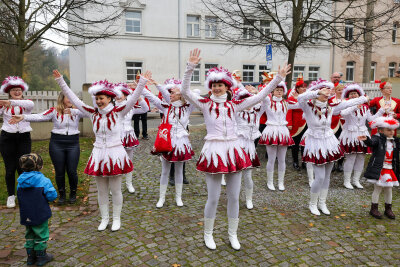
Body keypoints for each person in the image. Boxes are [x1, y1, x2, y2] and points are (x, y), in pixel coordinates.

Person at [180, 48, 291, 250]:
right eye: (214, 85)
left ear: (227, 87)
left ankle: (232, 234)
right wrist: (191, 68)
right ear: (210, 87)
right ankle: (208, 234)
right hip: (213, 150)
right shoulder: (204, 104)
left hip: (233, 150)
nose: (217, 88)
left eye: (220, 85)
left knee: (234, 196)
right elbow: (185, 92)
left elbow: (259, 97)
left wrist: (277, 79)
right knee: (213, 197)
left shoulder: (234, 105)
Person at [52, 69, 148, 231]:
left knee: (116, 189)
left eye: (101, 98)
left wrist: (142, 83)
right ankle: (104, 219)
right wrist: (61, 81)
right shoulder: (92, 113)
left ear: (110, 98)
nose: (98, 101)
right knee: (101, 190)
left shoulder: (119, 111)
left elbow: (131, 100)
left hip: (115, 153)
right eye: (96, 98)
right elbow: (74, 99)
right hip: (98, 154)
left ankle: (116, 219)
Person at [297, 79, 367, 216]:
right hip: (315, 142)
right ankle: (312, 204)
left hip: (329, 142)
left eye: (329, 90)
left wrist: (363, 98)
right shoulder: (308, 106)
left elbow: (347, 103)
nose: (327, 93)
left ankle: (322, 203)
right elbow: (300, 97)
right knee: (320, 176)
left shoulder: (331, 106)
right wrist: (317, 91)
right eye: (324, 90)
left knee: (327, 175)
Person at [10, 93, 84, 204]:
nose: (71, 99)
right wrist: (23, 117)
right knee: (59, 171)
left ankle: (73, 193)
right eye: (68, 97)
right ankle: (62, 194)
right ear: (62, 99)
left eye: (72, 97)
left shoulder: (78, 111)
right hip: (57, 143)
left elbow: (91, 112)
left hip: (73, 143)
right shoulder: (54, 111)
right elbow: (39, 116)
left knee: (72, 171)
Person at [142, 78, 196, 208]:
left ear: (180, 94)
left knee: (179, 171)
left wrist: (182, 89)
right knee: (165, 171)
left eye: (173, 92)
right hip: (167, 142)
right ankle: (162, 198)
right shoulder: (166, 106)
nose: (170, 95)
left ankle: (178, 197)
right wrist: (142, 85)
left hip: (181, 142)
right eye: (169, 93)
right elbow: (151, 97)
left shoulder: (188, 107)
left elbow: (194, 95)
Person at [339, 84, 385, 189]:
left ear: (359, 95)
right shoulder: (345, 105)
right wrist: (354, 106)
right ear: (348, 96)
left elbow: (371, 119)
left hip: (363, 134)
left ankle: (356, 180)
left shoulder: (365, 107)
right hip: (350, 134)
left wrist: (381, 111)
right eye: (351, 94)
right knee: (351, 157)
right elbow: (343, 114)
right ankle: (347, 181)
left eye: (355, 93)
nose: (353, 95)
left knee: (361, 157)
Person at [17, 153, 57, 266]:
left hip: (26, 213)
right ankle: (41, 256)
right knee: (41, 234)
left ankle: (30, 257)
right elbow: (52, 195)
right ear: (39, 166)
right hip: (40, 213)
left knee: (29, 234)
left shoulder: (20, 182)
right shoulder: (44, 180)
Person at [0, 76, 33, 208]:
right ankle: (10, 196)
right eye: (14, 90)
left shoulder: (27, 104)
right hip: (7, 138)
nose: (17, 92)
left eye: (19, 89)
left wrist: (11, 103)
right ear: (9, 92)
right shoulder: (4, 105)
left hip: (24, 137)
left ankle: (24, 194)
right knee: (10, 169)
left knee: (24, 167)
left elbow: (30, 105)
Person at [258, 78, 297, 191]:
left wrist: (298, 97)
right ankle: (270, 182)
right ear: (273, 91)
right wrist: (270, 84)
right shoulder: (267, 102)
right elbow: (262, 95)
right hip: (271, 131)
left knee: (282, 159)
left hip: (283, 131)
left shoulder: (286, 103)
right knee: (271, 159)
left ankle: (281, 182)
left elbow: (301, 105)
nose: (279, 92)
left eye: (281, 90)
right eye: (277, 89)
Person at [358, 117, 399, 219]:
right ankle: (374, 208)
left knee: (389, 189)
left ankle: (388, 209)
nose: (391, 132)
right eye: (388, 130)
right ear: (381, 130)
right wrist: (367, 139)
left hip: (390, 169)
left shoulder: (394, 141)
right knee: (378, 188)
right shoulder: (378, 139)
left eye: (392, 130)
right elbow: (372, 142)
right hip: (380, 169)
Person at [114, 83, 149, 193]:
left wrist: (138, 95)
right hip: (116, 136)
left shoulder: (131, 107)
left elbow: (145, 108)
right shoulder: (110, 107)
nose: (118, 96)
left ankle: (129, 184)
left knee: (129, 161)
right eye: (116, 94)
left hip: (128, 136)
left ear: (125, 95)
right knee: (116, 161)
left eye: (121, 94)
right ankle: (116, 186)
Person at [233, 86, 263, 209]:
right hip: (238, 144)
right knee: (236, 175)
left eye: (250, 101)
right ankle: (234, 199)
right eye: (245, 101)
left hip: (250, 146)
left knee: (248, 175)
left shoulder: (257, 112)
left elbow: (266, 100)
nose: (248, 104)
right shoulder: (236, 112)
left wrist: (256, 92)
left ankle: (249, 199)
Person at [287, 76, 307, 171]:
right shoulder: (291, 97)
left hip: (306, 123)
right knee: (295, 144)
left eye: (304, 87)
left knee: (305, 144)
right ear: (297, 89)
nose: (304, 88)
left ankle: (304, 161)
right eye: (301, 87)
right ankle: (295, 161)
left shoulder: (307, 97)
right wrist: (289, 123)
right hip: (295, 124)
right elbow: (289, 111)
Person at [330, 84, 345, 172]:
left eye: (342, 90)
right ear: (335, 90)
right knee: (333, 144)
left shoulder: (346, 100)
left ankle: (340, 163)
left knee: (342, 144)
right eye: (339, 90)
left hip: (343, 125)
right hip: (333, 124)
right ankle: (332, 163)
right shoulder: (331, 100)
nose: (341, 92)